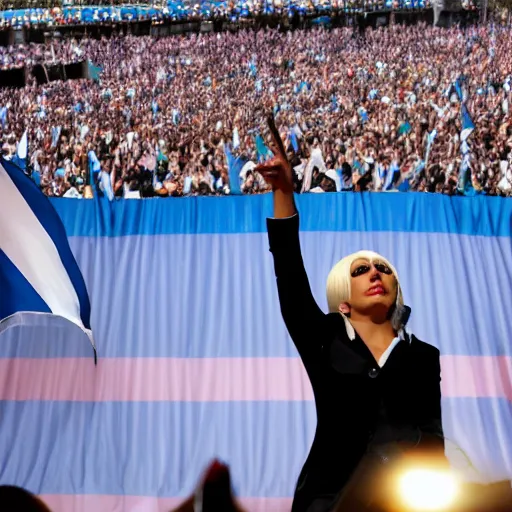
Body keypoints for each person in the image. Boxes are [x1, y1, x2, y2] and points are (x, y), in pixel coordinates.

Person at [255, 116, 446, 512]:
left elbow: (432, 438)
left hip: (408, 502)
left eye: (383, 269)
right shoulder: (323, 339)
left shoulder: (424, 356)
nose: (375, 272)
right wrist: (284, 191)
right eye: (360, 271)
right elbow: (289, 273)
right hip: (329, 499)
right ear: (343, 300)